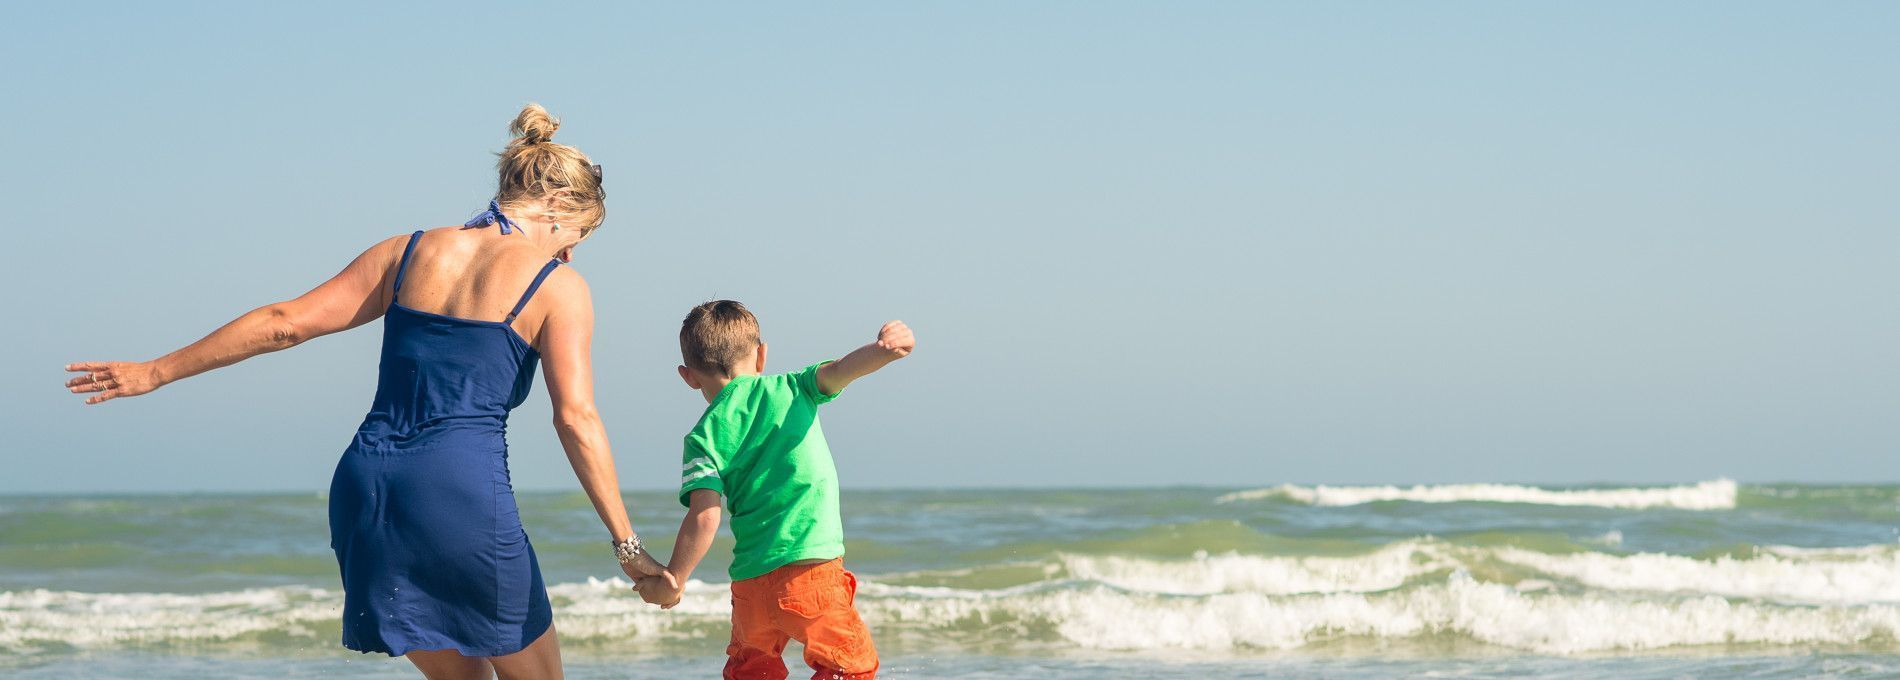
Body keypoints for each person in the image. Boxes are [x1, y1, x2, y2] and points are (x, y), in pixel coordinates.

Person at [62, 104, 665, 679]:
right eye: (577, 235)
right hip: (458, 493)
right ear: (557, 206)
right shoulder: (559, 286)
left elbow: (283, 322)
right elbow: (576, 418)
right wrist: (628, 547)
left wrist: (154, 371)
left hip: (367, 487)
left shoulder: (405, 252)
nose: (570, 251)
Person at [634, 300, 914, 680]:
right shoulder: (795, 387)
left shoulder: (701, 438)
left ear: (689, 376)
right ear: (762, 355)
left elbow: (705, 515)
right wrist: (882, 351)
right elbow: (844, 370)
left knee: (751, 670)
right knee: (850, 666)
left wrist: (675, 579)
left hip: (750, 587)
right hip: (810, 574)